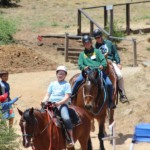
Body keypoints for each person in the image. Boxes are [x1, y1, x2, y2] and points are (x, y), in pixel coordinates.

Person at [71, 35, 116, 109]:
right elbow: (80, 64)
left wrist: (102, 65)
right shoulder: (82, 54)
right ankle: (72, 97)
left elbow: (103, 60)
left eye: (88, 43)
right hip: (87, 72)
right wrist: (83, 67)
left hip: (98, 71)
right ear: (83, 44)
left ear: (91, 43)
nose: (87, 44)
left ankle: (110, 101)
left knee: (109, 84)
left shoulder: (97, 51)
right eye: (85, 43)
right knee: (78, 81)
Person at [42, 65, 74, 148]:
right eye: (59, 73)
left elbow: (67, 97)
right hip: (50, 104)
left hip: (62, 104)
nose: (60, 75)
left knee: (66, 118)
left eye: (62, 74)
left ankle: (70, 138)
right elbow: (48, 95)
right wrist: (43, 101)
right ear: (56, 74)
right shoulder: (52, 84)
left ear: (65, 75)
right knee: (39, 115)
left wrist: (59, 103)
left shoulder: (67, 84)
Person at [93, 29, 128, 103]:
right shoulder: (95, 47)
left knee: (119, 75)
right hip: (100, 64)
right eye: (96, 38)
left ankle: (122, 94)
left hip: (110, 62)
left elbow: (115, 53)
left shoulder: (109, 43)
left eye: (98, 37)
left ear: (101, 36)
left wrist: (118, 63)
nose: (97, 39)